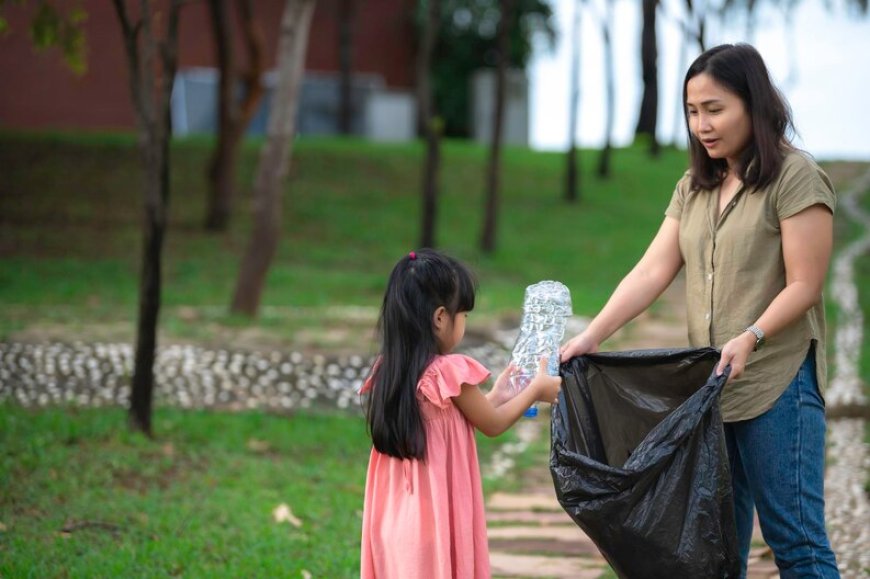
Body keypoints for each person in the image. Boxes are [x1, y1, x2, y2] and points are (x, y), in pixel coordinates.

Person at [560, 43, 840, 578]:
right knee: (712, 551)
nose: (702, 125)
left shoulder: (796, 177)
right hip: (710, 391)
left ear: (753, 104)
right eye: (692, 111)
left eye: (715, 109)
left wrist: (752, 335)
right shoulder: (694, 186)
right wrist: (592, 335)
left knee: (797, 542)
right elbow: (651, 271)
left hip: (776, 384)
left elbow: (805, 283)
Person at [359, 249, 561, 579]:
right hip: (438, 519)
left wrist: (499, 394)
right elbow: (492, 425)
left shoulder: (389, 373)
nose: (464, 322)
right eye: (463, 314)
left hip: (397, 521)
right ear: (440, 317)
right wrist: (536, 390)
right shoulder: (447, 371)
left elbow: (468, 416)